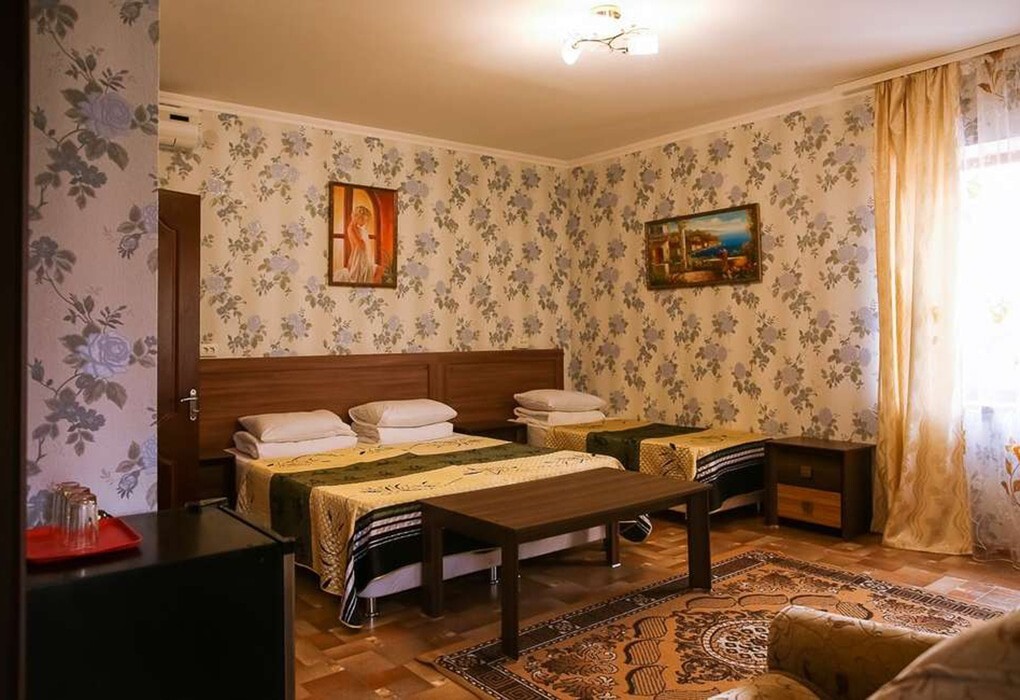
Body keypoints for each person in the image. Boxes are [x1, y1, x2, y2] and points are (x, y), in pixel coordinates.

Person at [344, 204, 376, 283]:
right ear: (358, 217)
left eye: (366, 221)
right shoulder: (351, 228)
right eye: (364, 220)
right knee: (360, 277)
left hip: (364, 256)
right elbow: (359, 244)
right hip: (358, 257)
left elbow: (364, 245)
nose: (365, 223)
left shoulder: (359, 229)